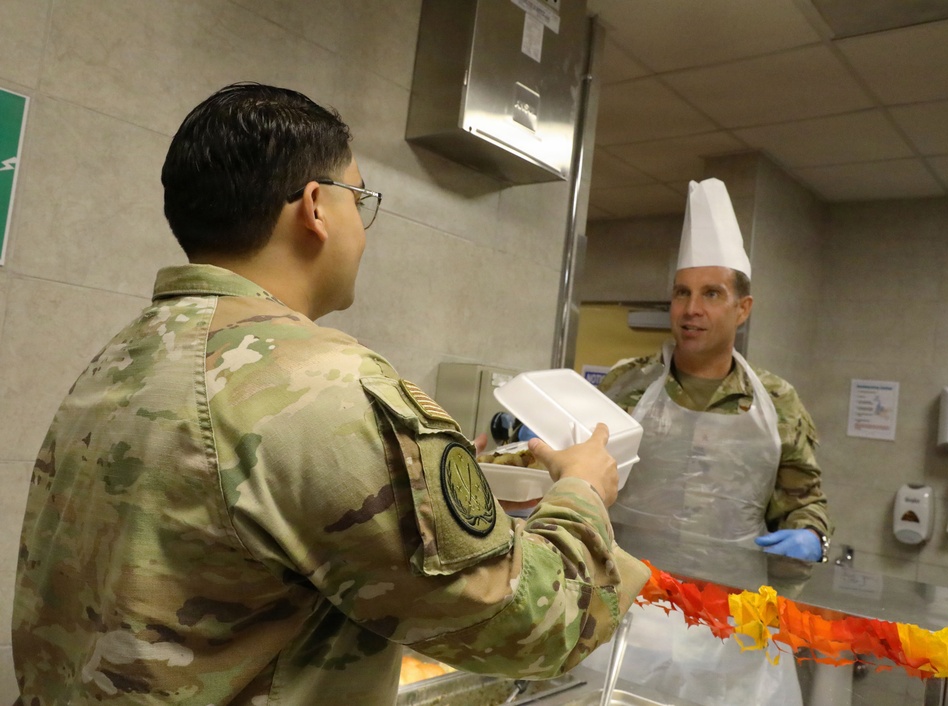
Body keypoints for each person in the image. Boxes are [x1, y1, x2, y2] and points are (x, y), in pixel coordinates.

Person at [11, 82, 649, 705]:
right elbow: (527, 628)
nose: (363, 229)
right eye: (360, 199)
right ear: (316, 207)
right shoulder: (327, 385)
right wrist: (582, 493)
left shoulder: (123, 356)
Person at [594, 178, 832, 705]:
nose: (691, 309)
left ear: (742, 308)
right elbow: (583, 482)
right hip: (624, 621)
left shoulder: (777, 401)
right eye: (682, 292)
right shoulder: (625, 385)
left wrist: (811, 537)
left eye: (711, 294)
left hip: (735, 636)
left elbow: (806, 504)